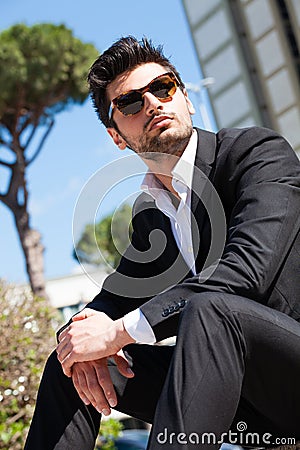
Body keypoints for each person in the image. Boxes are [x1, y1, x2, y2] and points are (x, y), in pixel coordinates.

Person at [25, 36, 300, 450]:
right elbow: (114, 299)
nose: (153, 103)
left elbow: (246, 273)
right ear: (117, 136)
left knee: (211, 309)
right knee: (74, 362)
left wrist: (118, 334)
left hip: (290, 376)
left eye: (163, 87)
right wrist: (78, 337)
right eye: (131, 103)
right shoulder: (152, 214)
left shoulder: (255, 154)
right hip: (247, 403)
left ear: (186, 98)